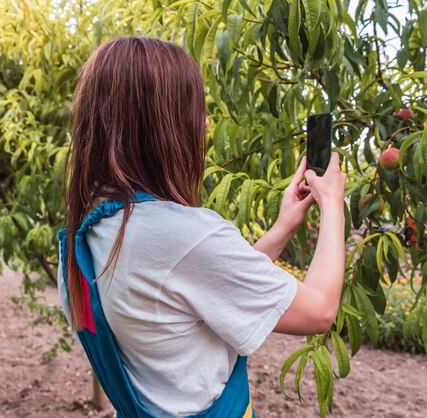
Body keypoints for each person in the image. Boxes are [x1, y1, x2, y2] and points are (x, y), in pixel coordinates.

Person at [57, 35, 346, 418]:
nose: (206, 123)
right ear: (162, 128)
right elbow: (320, 311)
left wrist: (281, 229)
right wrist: (332, 205)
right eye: (194, 109)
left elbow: (196, 288)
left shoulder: (86, 234)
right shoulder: (179, 234)